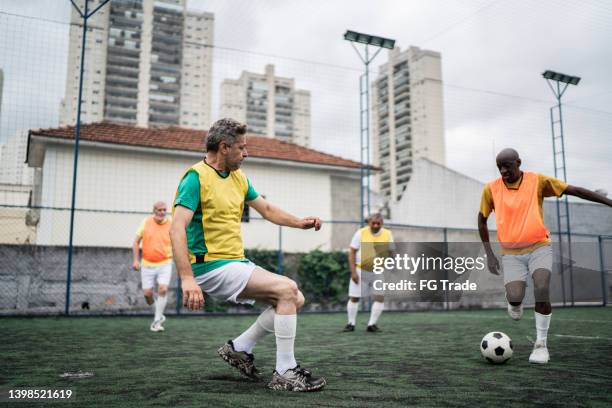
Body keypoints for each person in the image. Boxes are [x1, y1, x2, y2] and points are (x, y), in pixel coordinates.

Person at [170, 118, 326, 392]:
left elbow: (266, 209)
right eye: (241, 147)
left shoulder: (239, 178)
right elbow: (176, 229)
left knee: (294, 297)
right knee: (287, 288)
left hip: (235, 263)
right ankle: (285, 372)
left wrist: (299, 222)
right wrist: (186, 279)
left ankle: (240, 348)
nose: (246, 153)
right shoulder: (195, 178)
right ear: (224, 147)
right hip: (210, 267)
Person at [478, 148, 612, 364]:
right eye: (499, 167)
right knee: (515, 296)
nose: (503, 171)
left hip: (539, 246)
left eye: (507, 166)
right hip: (511, 253)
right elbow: (482, 219)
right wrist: (489, 254)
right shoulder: (491, 189)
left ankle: (541, 345)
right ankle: (514, 301)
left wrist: (609, 202)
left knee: (541, 287)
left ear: (518, 162)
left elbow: (574, 190)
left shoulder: (537, 181)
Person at [343, 213, 394, 333]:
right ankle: (351, 323)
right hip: (361, 270)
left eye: (378, 223)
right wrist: (353, 272)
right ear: (369, 222)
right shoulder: (361, 232)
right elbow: (352, 252)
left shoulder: (388, 234)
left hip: (378, 271)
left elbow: (392, 252)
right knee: (354, 297)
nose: (376, 225)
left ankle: (372, 324)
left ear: (382, 223)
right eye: (373, 223)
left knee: (380, 297)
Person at [132, 201, 173, 332]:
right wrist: (135, 260)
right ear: (154, 210)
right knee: (148, 294)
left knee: (163, 289)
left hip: (165, 263)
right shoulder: (146, 222)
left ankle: (156, 321)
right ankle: (159, 315)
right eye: (159, 210)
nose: (162, 212)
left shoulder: (171, 224)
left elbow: (179, 240)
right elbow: (136, 242)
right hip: (147, 264)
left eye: (164, 210)